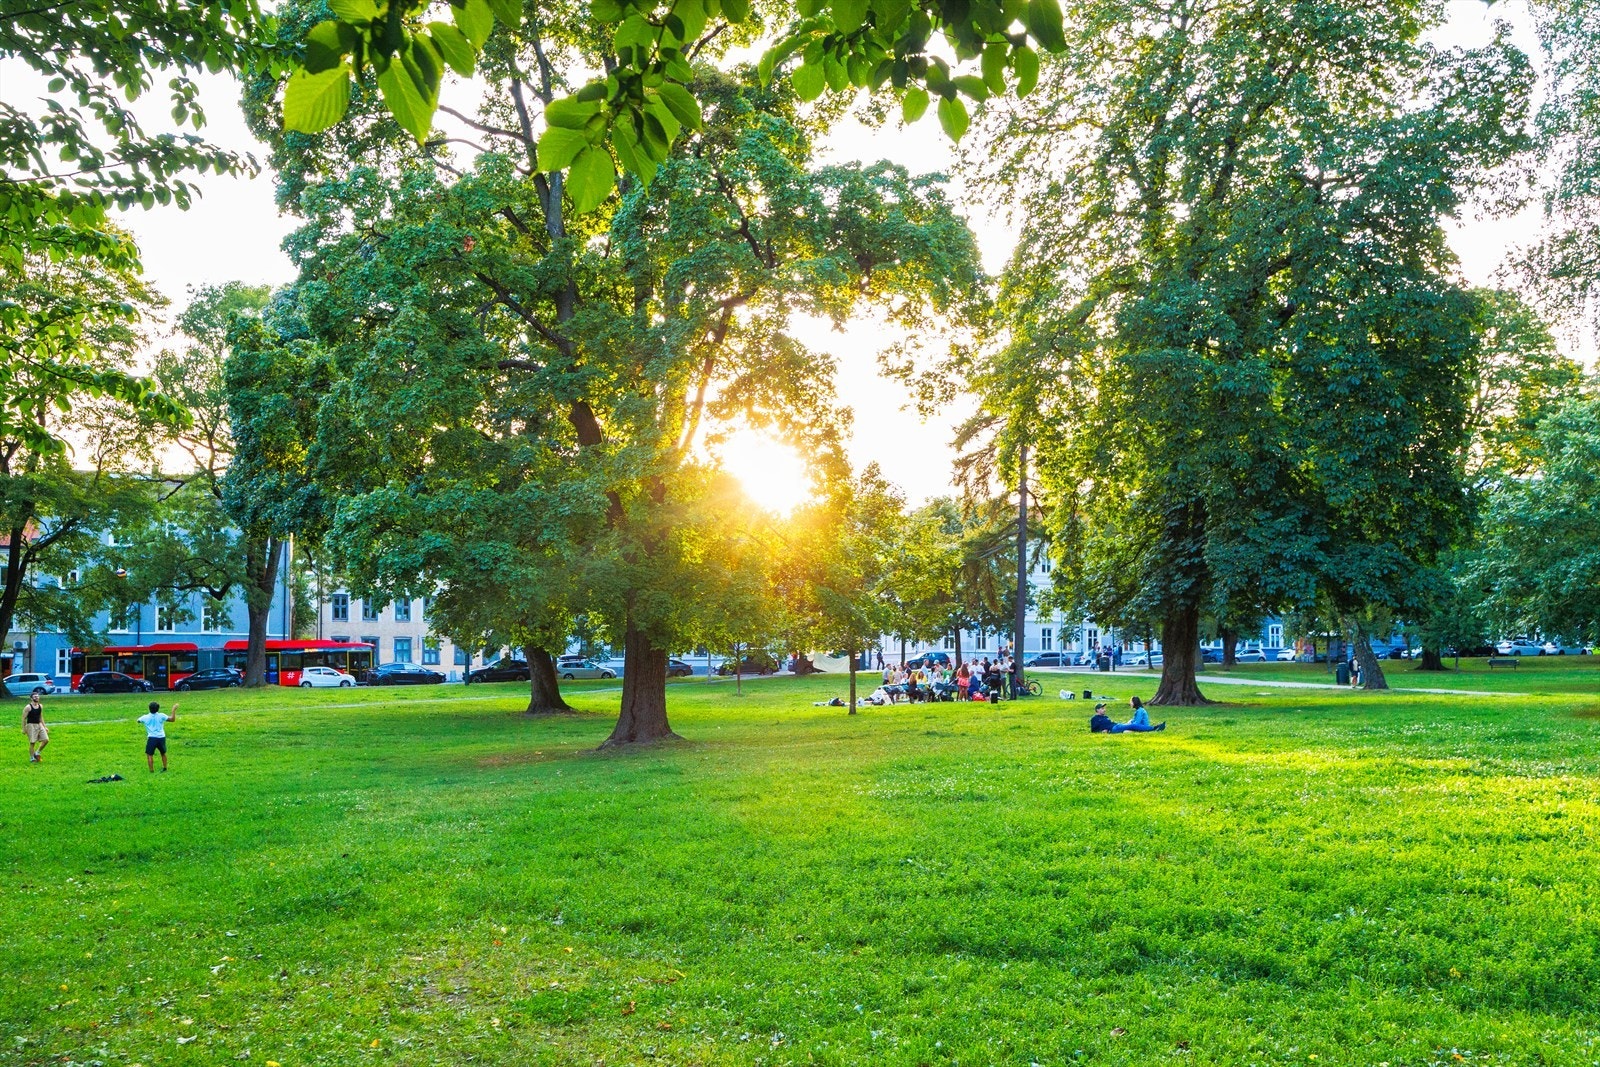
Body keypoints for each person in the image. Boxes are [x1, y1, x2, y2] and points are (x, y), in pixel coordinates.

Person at [138, 700, 180, 772]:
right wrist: (173, 710)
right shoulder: (161, 716)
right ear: (158, 708)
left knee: (149, 754)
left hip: (152, 738)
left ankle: (151, 770)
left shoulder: (145, 717)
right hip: (161, 737)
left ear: (149, 708)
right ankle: (165, 768)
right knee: (163, 753)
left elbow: (138, 720)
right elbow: (172, 719)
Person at [23, 693, 48, 763]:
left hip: (39, 724)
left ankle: (37, 753)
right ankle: (32, 758)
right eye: (35, 697)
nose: (37, 698)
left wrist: (44, 726)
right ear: (31, 698)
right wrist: (24, 729)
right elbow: (24, 718)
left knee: (46, 740)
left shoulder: (40, 706)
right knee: (32, 742)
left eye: (37, 696)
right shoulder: (28, 707)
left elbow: (40, 717)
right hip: (31, 725)